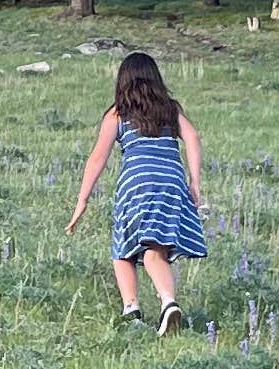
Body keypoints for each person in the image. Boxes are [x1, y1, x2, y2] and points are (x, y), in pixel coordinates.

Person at [65, 49, 209, 331]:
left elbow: (97, 158)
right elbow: (192, 137)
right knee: (157, 249)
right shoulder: (169, 109)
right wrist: (194, 182)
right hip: (172, 183)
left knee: (123, 247)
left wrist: (82, 200)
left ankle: (141, 306)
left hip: (137, 184)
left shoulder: (118, 113)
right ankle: (164, 303)